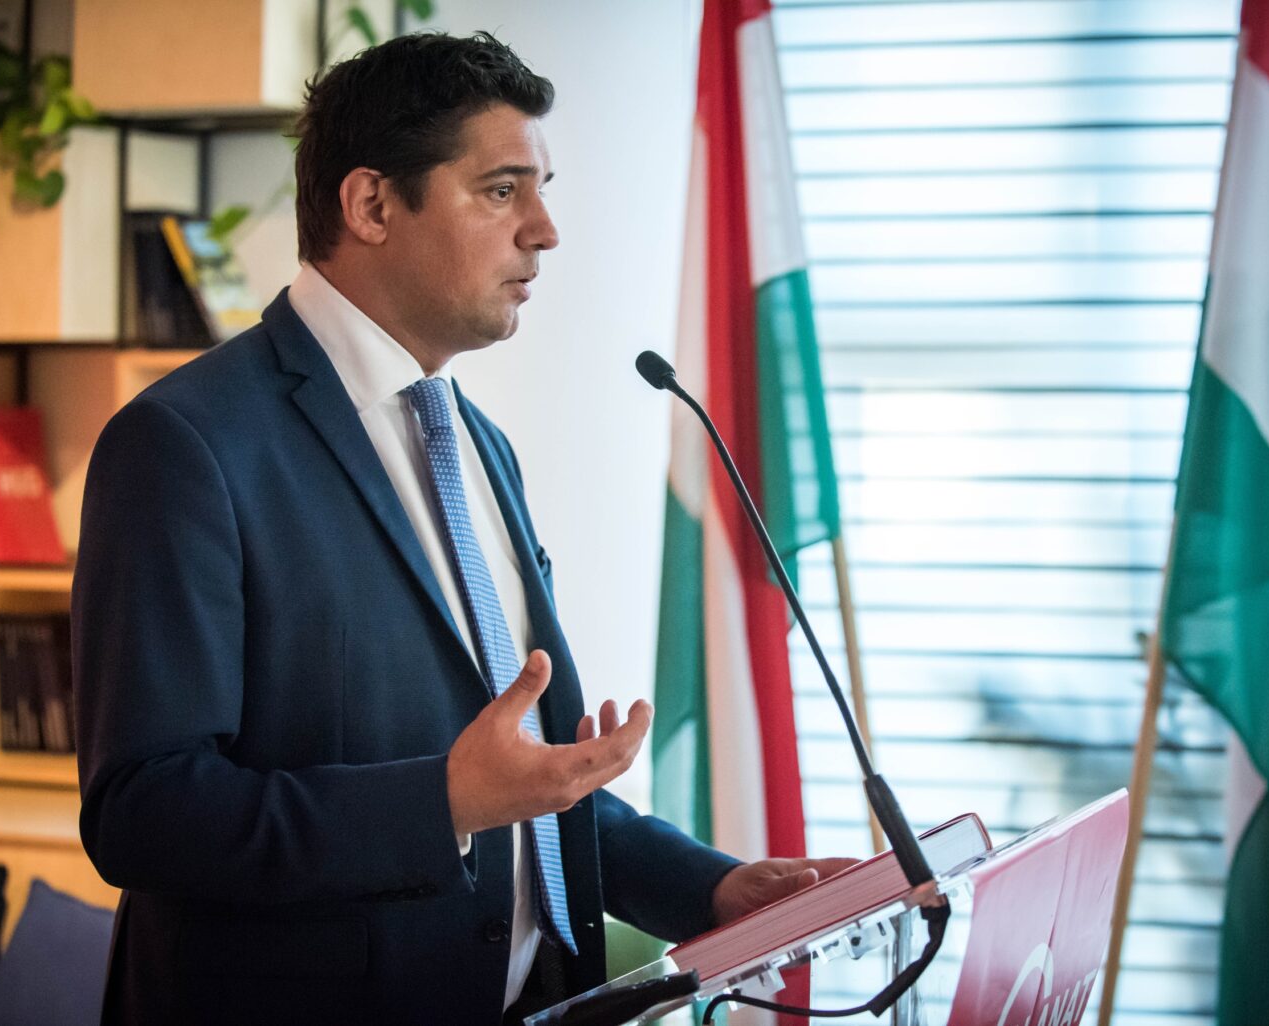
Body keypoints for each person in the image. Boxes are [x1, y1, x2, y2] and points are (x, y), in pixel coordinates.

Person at [72, 31, 847, 1026]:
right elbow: (144, 814)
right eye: (501, 190)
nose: (545, 231)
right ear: (372, 205)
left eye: (541, 190)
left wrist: (711, 889)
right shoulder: (184, 445)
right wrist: (442, 803)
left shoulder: (476, 443)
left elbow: (523, 785)